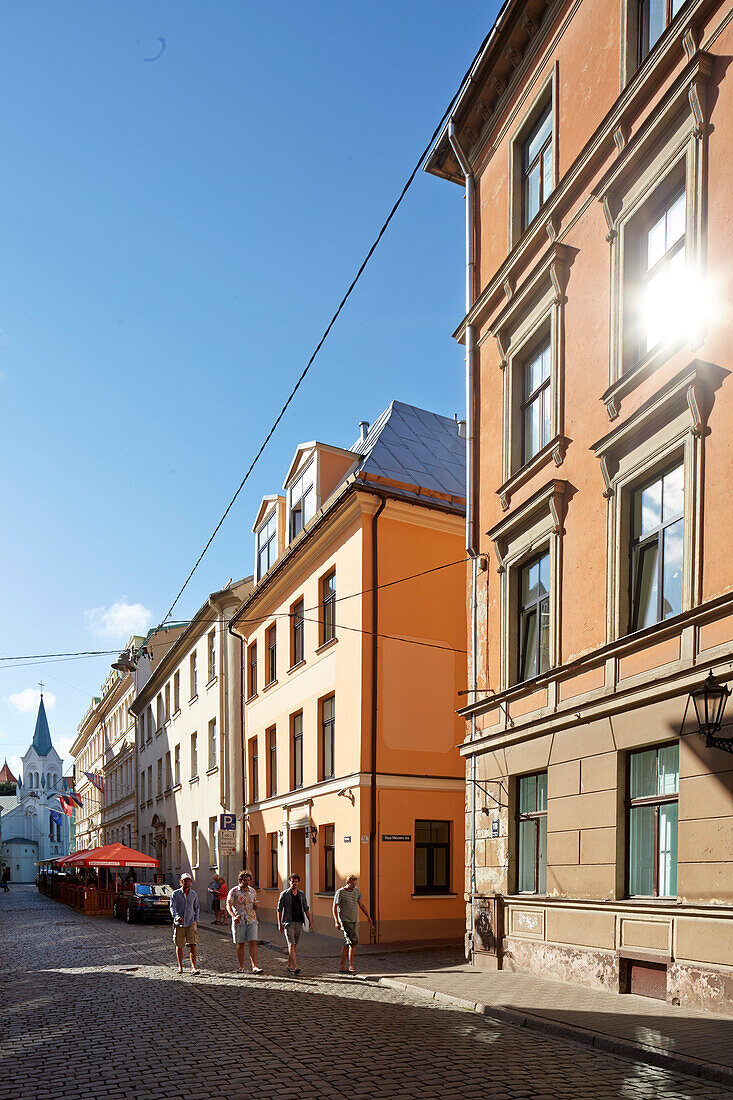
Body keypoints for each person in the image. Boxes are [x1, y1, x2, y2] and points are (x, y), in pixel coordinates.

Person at [333, 874, 373, 974]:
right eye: (352, 884)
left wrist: (368, 916)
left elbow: (361, 904)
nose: (354, 886)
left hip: (353, 919)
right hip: (345, 920)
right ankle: (351, 966)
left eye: (355, 884)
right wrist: (336, 921)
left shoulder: (356, 891)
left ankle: (342, 966)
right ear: (347, 883)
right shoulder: (340, 892)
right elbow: (334, 907)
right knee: (354, 941)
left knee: (347, 943)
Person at [226, 870, 262, 974]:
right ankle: (241, 967)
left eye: (248, 880)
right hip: (239, 921)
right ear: (240, 880)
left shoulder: (252, 891)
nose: (247, 882)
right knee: (240, 944)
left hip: (252, 920)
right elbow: (228, 905)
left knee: (253, 943)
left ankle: (254, 966)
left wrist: (256, 906)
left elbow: (256, 903)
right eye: (245, 880)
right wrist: (233, 916)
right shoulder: (234, 891)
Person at [277, 873, 312, 974]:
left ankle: (288, 965)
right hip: (288, 922)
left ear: (298, 882)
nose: (294, 884)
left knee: (293, 945)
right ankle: (295, 966)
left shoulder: (301, 894)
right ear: (289, 882)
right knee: (291, 944)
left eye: (296, 882)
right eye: (292, 882)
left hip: (299, 922)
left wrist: (310, 920)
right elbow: (279, 909)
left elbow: (306, 908)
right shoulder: (284, 894)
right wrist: (279, 924)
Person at [170, 872, 200, 975]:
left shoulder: (194, 894)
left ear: (191, 882)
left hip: (191, 922)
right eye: (184, 880)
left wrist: (196, 920)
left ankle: (194, 967)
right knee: (179, 945)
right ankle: (180, 966)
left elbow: (196, 908)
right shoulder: (175, 894)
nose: (186, 882)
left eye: (188, 880)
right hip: (179, 924)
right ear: (181, 882)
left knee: (193, 944)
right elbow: (172, 907)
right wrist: (176, 916)